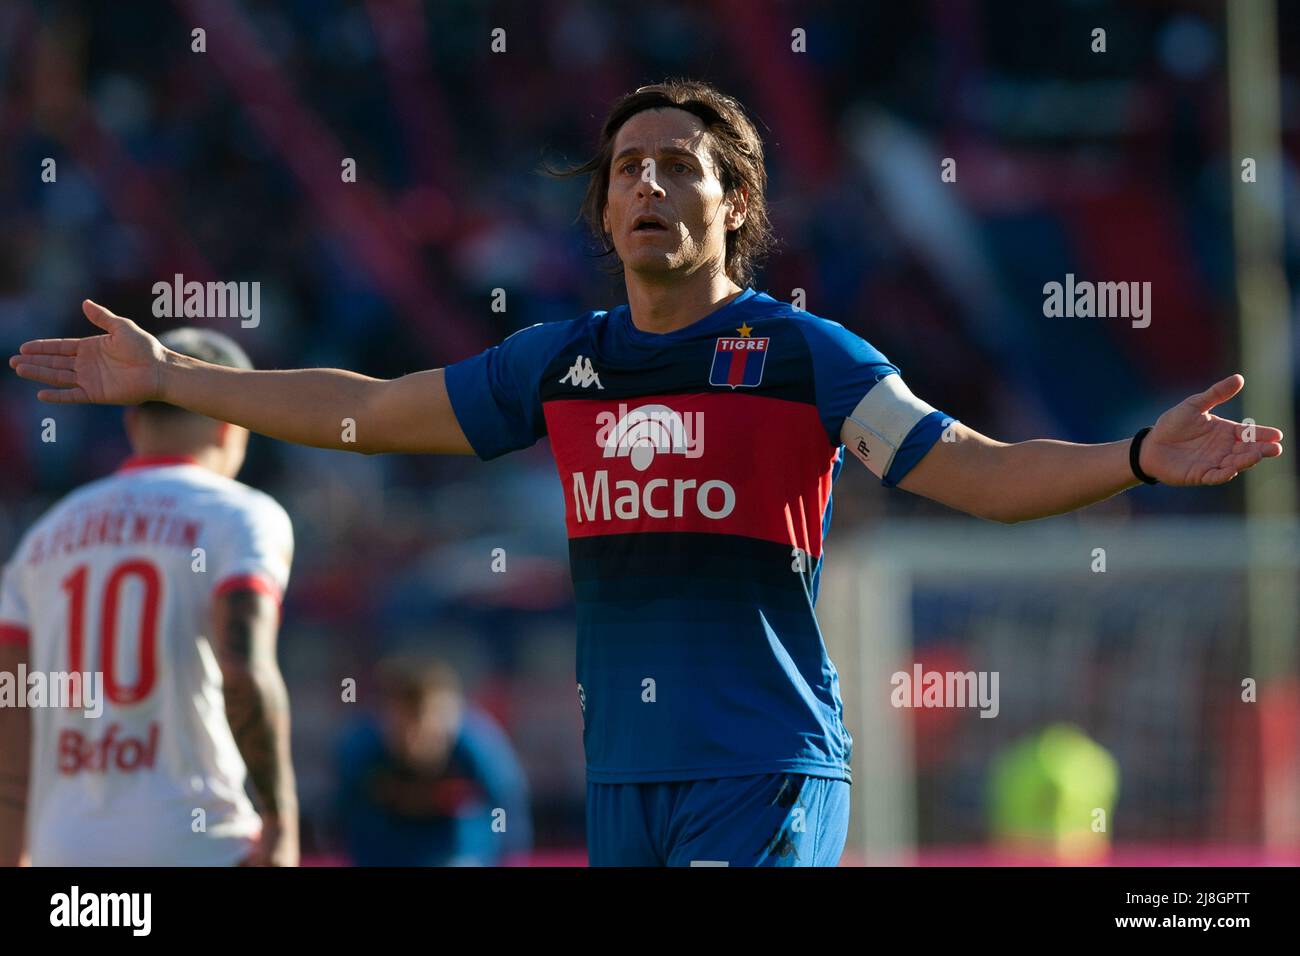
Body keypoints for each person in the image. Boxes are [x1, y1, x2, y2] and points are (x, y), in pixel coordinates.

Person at [8, 80, 1283, 866]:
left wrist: (1130, 459)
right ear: (605, 214)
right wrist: (171, 375)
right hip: (627, 779)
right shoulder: (559, 363)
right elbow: (360, 411)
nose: (650, 184)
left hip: (764, 764)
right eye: (629, 168)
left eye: (683, 166)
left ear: (735, 206)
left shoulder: (805, 356)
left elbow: (977, 471)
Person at [0, 328, 297, 866]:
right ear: (233, 427)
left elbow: (11, 710)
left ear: (133, 423)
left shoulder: (43, 538)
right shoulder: (242, 515)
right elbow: (246, 672)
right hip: (199, 844)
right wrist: (281, 824)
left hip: (65, 856)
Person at [335, 654, 531, 866]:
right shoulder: (360, 753)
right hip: (383, 851)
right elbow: (342, 816)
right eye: (403, 728)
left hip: (460, 851)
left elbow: (508, 812)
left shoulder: (480, 748)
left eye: (426, 729)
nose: (415, 741)